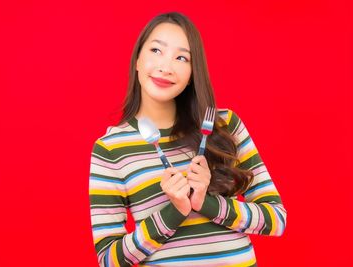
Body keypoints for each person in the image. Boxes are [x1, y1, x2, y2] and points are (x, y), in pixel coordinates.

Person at [89, 11, 286, 267]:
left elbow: (276, 220)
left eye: (181, 58)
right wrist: (174, 212)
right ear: (137, 59)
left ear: (193, 72)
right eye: (156, 51)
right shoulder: (110, 149)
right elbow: (109, 259)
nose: (166, 67)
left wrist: (207, 203)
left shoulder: (224, 125)